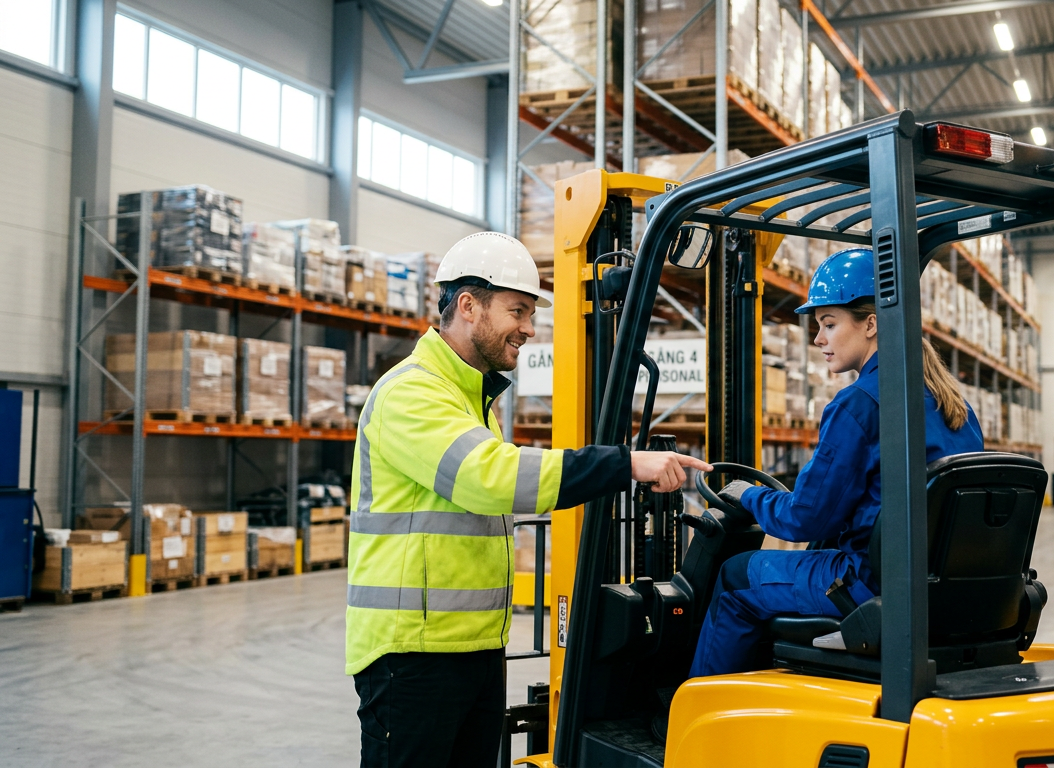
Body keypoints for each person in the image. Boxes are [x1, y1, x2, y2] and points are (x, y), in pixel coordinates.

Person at [347, 231, 711, 768]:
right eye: (517, 311)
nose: (529, 329)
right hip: (412, 655)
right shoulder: (412, 392)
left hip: (469, 648)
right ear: (468, 306)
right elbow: (488, 478)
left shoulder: (473, 400)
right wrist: (621, 464)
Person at [688, 247, 983, 678]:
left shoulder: (860, 404)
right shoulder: (950, 401)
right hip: (936, 585)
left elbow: (805, 518)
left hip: (870, 583)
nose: (818, 339)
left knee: (736, 576)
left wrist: (748, 496)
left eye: (829, 324)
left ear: (870, 324)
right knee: (813, 551)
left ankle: (698, 710)